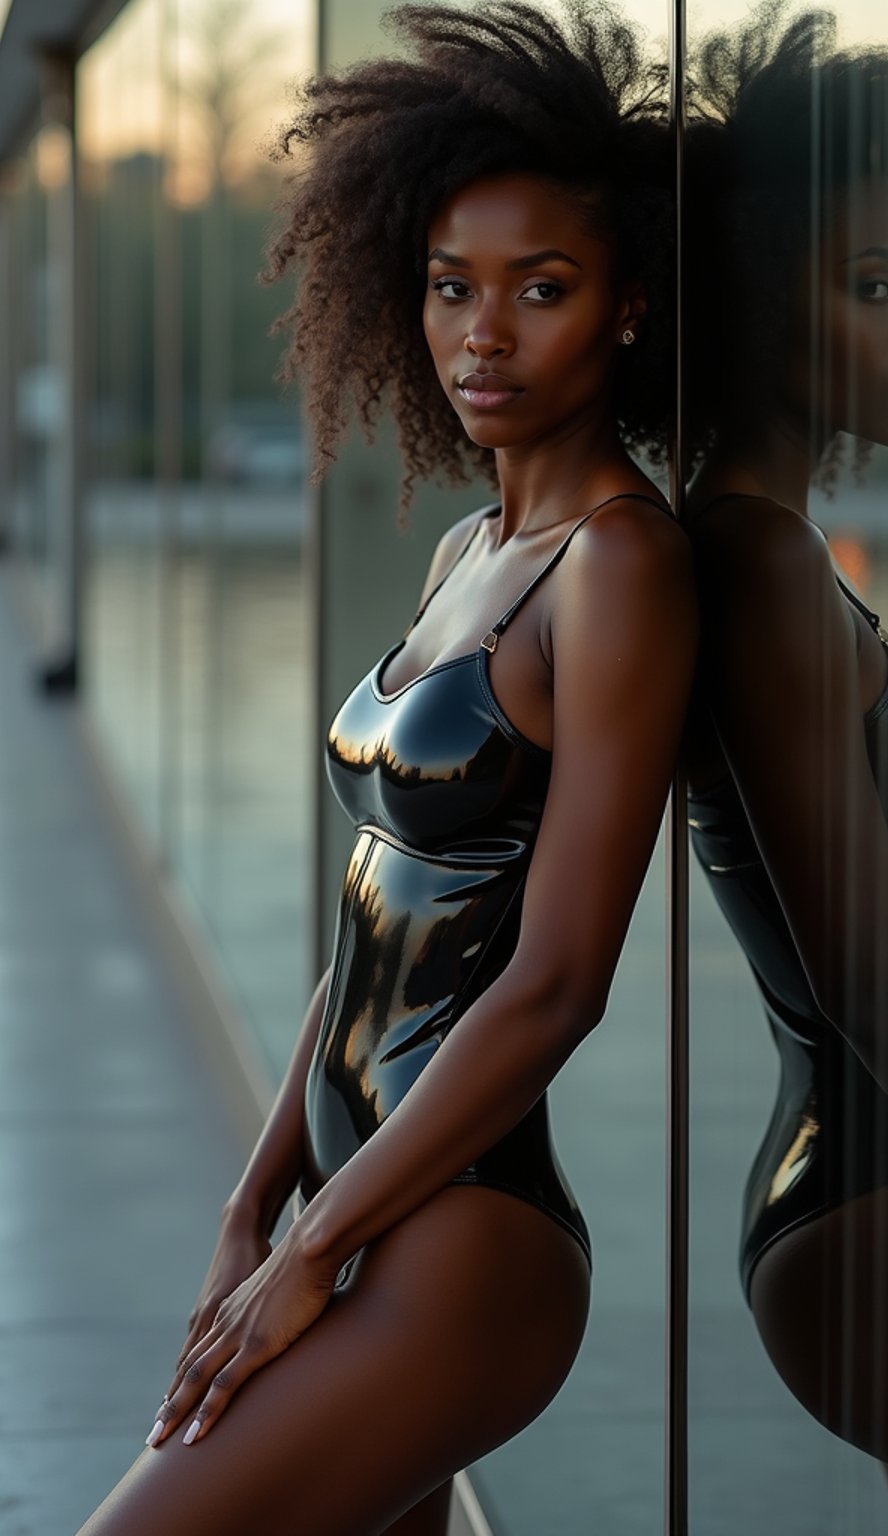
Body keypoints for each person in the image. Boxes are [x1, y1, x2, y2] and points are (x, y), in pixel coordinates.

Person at [77, 4, 692, 1534]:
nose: (484, 333)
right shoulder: (473, 548)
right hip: (347, 1215)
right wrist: (252, 1209)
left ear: (627, 307)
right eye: (450, 288)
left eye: (541, 291)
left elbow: (555, 981)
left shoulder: (620, 570)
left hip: (463, 1245)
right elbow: (372, 919)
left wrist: (308, 1255)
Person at [681, 4, 888, 1532]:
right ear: (759, 304)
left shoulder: (776, 558)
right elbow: (880, 986)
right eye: (874, 288)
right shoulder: (752, 572)